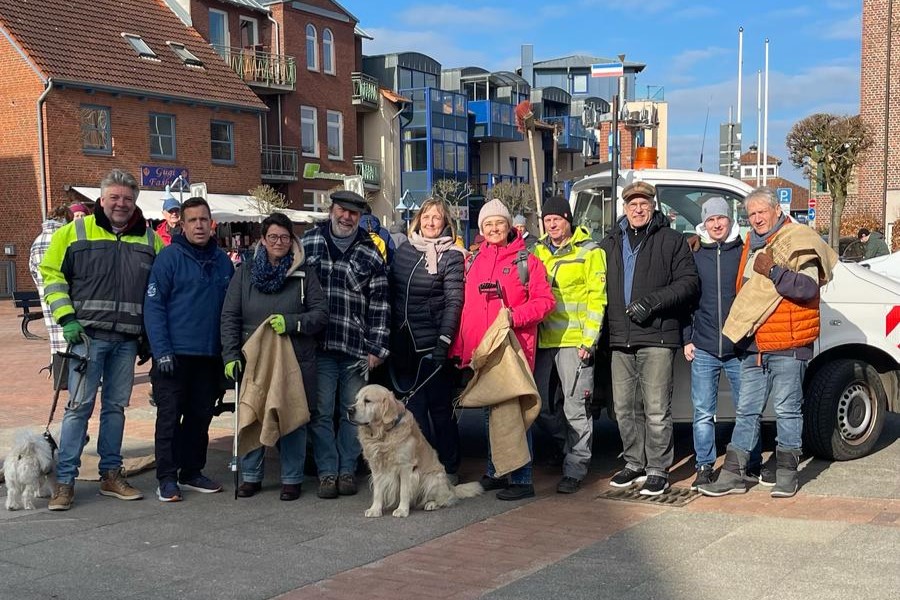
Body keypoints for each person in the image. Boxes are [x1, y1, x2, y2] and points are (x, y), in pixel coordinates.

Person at [699, 187, 836, 498]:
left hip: (788, 343)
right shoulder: (752, 243)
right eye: (752, 214)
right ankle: (733, 475)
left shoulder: (798, 239)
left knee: (787, 411)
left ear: (777, 210)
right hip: (755, 346)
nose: (757, 218)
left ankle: (787, 474)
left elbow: (807, 288)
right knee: (746, 412)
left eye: (762, 212)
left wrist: (773, 270)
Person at [40, 169, 164, 510]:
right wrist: (66, 318)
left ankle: (110, 474)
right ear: (102, 199)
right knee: (78, 409)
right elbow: (51, 274)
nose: (121, 204)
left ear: (135, 201)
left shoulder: (150, 240)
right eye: (114, 197)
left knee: (115, 409)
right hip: (86, 337)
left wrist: (150, 336)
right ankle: (65, 482)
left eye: (127, 198)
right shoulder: (73, 232)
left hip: (126, 340)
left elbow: (160, 287)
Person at [599, 181, 699, 496]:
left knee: (656, 408)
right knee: (624, 408)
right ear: (625, 208)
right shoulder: (610, 242)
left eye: (644, 203)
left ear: (653, 206)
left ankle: (657, 468)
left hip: (657, 335)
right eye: (633, 204)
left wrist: (653, 303)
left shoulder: (671, 240)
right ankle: (634, 463)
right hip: (620, 338)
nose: (638, 209)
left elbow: (689, 283)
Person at [450, 199, 554, 500]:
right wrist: (461, 350)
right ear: (481, 229)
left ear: (509, 226)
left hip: (512, 350)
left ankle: (522, 479)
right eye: (488, 224)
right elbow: (467, 310)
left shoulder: (527, 261)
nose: (494, 228)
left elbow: (546, 302)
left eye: (499, 223)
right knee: (490, 413)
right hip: (483, 352)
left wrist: (514, 316)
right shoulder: (474, 261)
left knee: (513, 415)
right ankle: (497, 471)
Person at [221, 212, 328, 501]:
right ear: (263, 240)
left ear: (292, 240)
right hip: (253, 357)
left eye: (284, 237)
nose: (278, 242)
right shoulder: (245, 273)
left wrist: (293, 323)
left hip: (295, 358)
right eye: (272, 237)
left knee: (291, 414)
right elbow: (230, 315)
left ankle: (292, 479)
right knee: (253, 411)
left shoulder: (304, 273)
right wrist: (230, 355)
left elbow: (320, 314)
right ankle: (251, 476)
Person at [143, 197, 234, 502]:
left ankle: (192, 471)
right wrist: (161, 351)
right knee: (169, 418)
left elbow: (231, 310)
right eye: (192, 220)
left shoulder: (222, 261)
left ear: (212, 224)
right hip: (174, 356)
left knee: (200, 417)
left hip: (209, 356)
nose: (199, 225)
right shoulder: (169, 258)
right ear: (182, 225)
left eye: (203, 220)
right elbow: (154, 306)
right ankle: (167, 478)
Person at [302, 190, 390, 499]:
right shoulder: (309, 242)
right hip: (319, 346)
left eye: (353, 213)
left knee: (353, 414)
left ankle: (347, 470)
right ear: (332, 210)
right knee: (321, 413)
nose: (346, 217)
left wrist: (377, 347)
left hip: (356, 348)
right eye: (342, 210)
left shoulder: (371, 251)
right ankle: (327, 472)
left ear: (360, 217)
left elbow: (380, 303)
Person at [683, 197, 766, 489]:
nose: (716, 224)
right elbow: (687, 300)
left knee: (747, 410)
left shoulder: (744, 252)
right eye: (710, 219)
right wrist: (687, 338)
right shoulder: (694, 254)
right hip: (704, 346)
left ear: (730, 220)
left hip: (740, 347)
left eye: (721, 218)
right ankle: (704, 466)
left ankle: (750, 463)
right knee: (703, 412)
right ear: (703, 223)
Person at [532, 196, 607, 494]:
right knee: (540, 406)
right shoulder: (537, 251)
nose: (552, 225)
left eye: (557, 220)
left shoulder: (590, 252)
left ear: (568, 220)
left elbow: (597, 299)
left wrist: (589, 341)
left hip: (575, 342)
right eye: (547, 220)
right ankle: (567, 448)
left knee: (576, 408)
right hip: (543, 341)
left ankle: (575, 468)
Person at [388, 198, 466, 480]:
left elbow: (454, 302)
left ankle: (450, 466)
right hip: (403, 345)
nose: (431, 222)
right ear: (418, 220)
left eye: (437, 217)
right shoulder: (404, 250)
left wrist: (444, 340)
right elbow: (391, 291)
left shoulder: (452, 256)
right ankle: (422, 468)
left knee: (441, 411)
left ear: (445, 223)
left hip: (433, 345)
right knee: (413, 412)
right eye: (426, 217)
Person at [29, 205, 70, 372]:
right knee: (69, 339)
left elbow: (33, 270)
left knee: (56, 339)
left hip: (45, 295)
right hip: (65, 296)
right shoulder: (63, 238)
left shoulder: (37, 241)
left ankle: (59, 378)